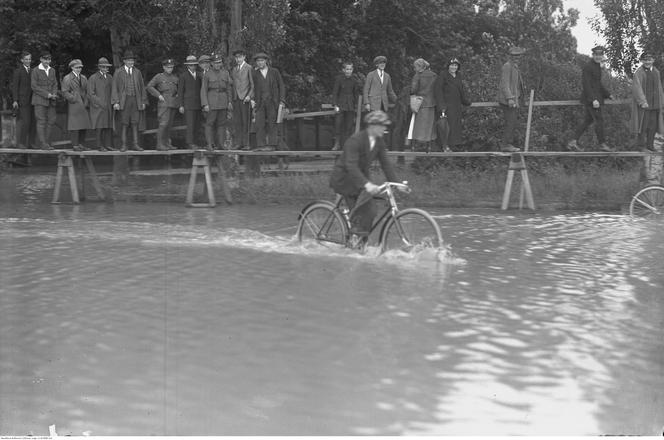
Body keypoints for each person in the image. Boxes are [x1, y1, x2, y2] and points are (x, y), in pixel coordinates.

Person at [329, 110, 399, 244]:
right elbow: (351, 166)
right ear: (372, 126)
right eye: (382, 125)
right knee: (361, 211)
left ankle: (360, 240)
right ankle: (355, 238)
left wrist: (398, 184)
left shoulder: (379, 142)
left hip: (360, 180)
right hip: (345, 180)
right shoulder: (355, 141)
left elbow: (386, 164)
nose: (384, 128)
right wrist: (367, 184)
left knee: (371, 210)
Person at [567, 46, 614, 152]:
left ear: (602, 56)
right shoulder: (588, 67)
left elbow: (598, 84)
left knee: (588, 120)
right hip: (592, 100)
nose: (598, 57)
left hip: (595, 98)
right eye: (596, 55)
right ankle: (602, 144)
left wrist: (608, 94)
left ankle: (573, 142)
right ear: (593, 55)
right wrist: (593, 100)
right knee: (599, 120)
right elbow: (586, 84)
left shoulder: (597, 66)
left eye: (600, 55)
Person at [112, 50, 148, 151]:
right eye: (129, 60)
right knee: (124, 123)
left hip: (135, 100)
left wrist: (143, 101)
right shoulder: (118, 72)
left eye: (132, 60)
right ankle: (124, 145)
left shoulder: (137, 72)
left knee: (135, 123)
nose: (131, 62)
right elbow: (114, 87)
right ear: (124, 61)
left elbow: (142, 87)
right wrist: (116, 102)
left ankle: (135, 144)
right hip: (124, 100)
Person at [434, 58, 471, 152]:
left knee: (455, 126)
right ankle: (445, 146)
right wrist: (441, 106)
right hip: (446, 106)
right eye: (452, 65)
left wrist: (465, 101)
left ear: (458, 67)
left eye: (455, 65)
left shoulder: (459, 75)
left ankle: (453, 146)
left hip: (456, 105)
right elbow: (438, 91)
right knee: (446, 126)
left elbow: (461, 90)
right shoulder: (443, 75)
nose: (453, 67)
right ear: (448, 66)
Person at [251, 52, 286, 151]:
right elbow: (252, 88)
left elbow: (281, 86)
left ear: (266, 61)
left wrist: (282, 100)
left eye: (262, 60)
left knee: (272, 123)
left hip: (272, 101)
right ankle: (260, 145)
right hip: (260, 102)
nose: (260, 63)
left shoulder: (274, 72)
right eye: (258, 61)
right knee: (259, 123)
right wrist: (252, 99)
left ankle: (272, 145)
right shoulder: (255, 74)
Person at [630, 51, 664, 152]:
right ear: (642, 61)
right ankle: (641, 146)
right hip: (645, 105)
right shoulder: (639, 73)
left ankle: (650, 145)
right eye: (645, 60)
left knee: (653, 126)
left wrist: (661, 101)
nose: (647, 62)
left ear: (653, 60)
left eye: (649, 60)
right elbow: (637, 88)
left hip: (655, 104)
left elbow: (659, 87)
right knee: (643, 125)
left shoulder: (656, 72)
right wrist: (642, 101)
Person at [201, 54, 233, 150]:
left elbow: (228, 88)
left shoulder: (225, 73)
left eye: (219, 62)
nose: (218, 65)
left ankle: (221, 144)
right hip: (212, 102)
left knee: (222, 124)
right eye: (215, 63)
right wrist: (205, 104)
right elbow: (203, 90)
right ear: (211, 64)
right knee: (209, 123)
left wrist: (229, 101)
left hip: (223, 102)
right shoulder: (207, 74)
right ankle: (210, 144)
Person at [497, 46, 526, 152]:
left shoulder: (515, 67)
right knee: (510, 122)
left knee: (512, 122)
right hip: (507, 101)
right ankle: (505, 145)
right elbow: (505, 84)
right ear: (510, 56)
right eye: (514, 55)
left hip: (514, 100)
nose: (517, 57)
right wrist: (510, 98)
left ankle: (508, 144)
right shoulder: (507, 66)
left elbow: (516, 86)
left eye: (518, 55)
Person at [147, 58, 180, 151]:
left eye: (172, 67)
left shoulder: (175, 77)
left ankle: (167, 143)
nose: (170, 69)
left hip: (173, 102)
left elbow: (179, 88)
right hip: (164, 102)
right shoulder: (159, 76)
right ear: (164, 67)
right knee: (163, 123)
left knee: (169, 124)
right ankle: (159, 144)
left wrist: (178, 94)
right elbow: (149, 86)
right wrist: (158, 95)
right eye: (168, 67)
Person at [61, 59, 92, 151]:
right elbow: (64, 92)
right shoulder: (67, 78)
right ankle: (75, 145)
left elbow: (87, 90)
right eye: (77, 67)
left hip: (83, 103)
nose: (79, 69)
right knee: (74, 125)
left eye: (80, 67)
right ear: (72, 68)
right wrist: (73, 98)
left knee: (84, 124)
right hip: (74, 104)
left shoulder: (83, 78)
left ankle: (82, 144)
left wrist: (86, 101)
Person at [31, 52, 59, 150]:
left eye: (49, 59)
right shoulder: (35, 70)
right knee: (41, 121)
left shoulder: (52, 70)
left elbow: (55, 83)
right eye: (45, 59)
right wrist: (47, 95)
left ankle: (46, 143)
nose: (47, 61)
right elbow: (34, 86)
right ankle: (43, 144)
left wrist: (54, 94)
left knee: (51, 120)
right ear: (41, 59)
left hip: (51, 101)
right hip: (39, 101)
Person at [409, 58, 438, 151]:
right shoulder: (434, 75)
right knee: (429, 125)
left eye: (415, 67)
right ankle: (428, 146)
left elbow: (413, 89)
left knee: (417, 125)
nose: (414, 69)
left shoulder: (417, 76)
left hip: (419, 103)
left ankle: (415, 146)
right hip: (431, 103)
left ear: (420, 67)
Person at [331, 61, 361, 150]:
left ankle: (347, 145)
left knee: (349, 126)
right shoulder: (339, 79)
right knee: (338, 124)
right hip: (340, 104)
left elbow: (356, 94)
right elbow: (335, 92)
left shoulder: (354, 80)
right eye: (347, 69)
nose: (348, 71)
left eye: (350, 69)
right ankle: (337, 144)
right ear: (343, 70)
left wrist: (356, 107)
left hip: (350, 105)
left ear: (352, 70)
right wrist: (335, 105)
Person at [88, 57, 115, 151]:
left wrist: (114, 101)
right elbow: (91, 93)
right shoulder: (93, 78)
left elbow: (113, 91)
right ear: (99, 67)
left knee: (107, 126)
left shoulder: (110, 77)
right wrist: (100, 102)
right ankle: (99, 145)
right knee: (99, 126)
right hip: (97, 106)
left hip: (108, 106)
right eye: (103, 67)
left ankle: (108, 145)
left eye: (107, 67)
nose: (106, 69)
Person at [231, 48, 254, 150]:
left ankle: (246, 144)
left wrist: (249, 95)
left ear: (244, 57)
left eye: (240, 57)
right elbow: (233, 85)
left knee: (246, 122)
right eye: (236, 57)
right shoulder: (234, 69)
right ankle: (238, 143)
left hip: (245, 98)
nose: (238, 59)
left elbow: (253, 85)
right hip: (236, 99)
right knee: (238, 122)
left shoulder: (249, 68)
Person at [178, 55, 202, 149]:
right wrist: (181, 105)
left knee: (197, 124)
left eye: (194, 65)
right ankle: (189, 143)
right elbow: (180, 92)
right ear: (188, 66)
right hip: (188, 104)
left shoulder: (199, 75)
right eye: (191, 65)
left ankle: (195, 142)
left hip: (198, 104)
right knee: (190, 124)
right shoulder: (183, 76)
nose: (193, 67)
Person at [11, 51, 33, 149]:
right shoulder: (18, 71)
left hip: (33, 101)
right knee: (26, 122)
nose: (28, 61)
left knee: (33, 122)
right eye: (26, 59)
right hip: (22, 101)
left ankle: (31, 143)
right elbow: (15, 87)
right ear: (22, 60)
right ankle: (22, 143)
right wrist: (15, 100)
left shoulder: (33, 71)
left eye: (29, 59)